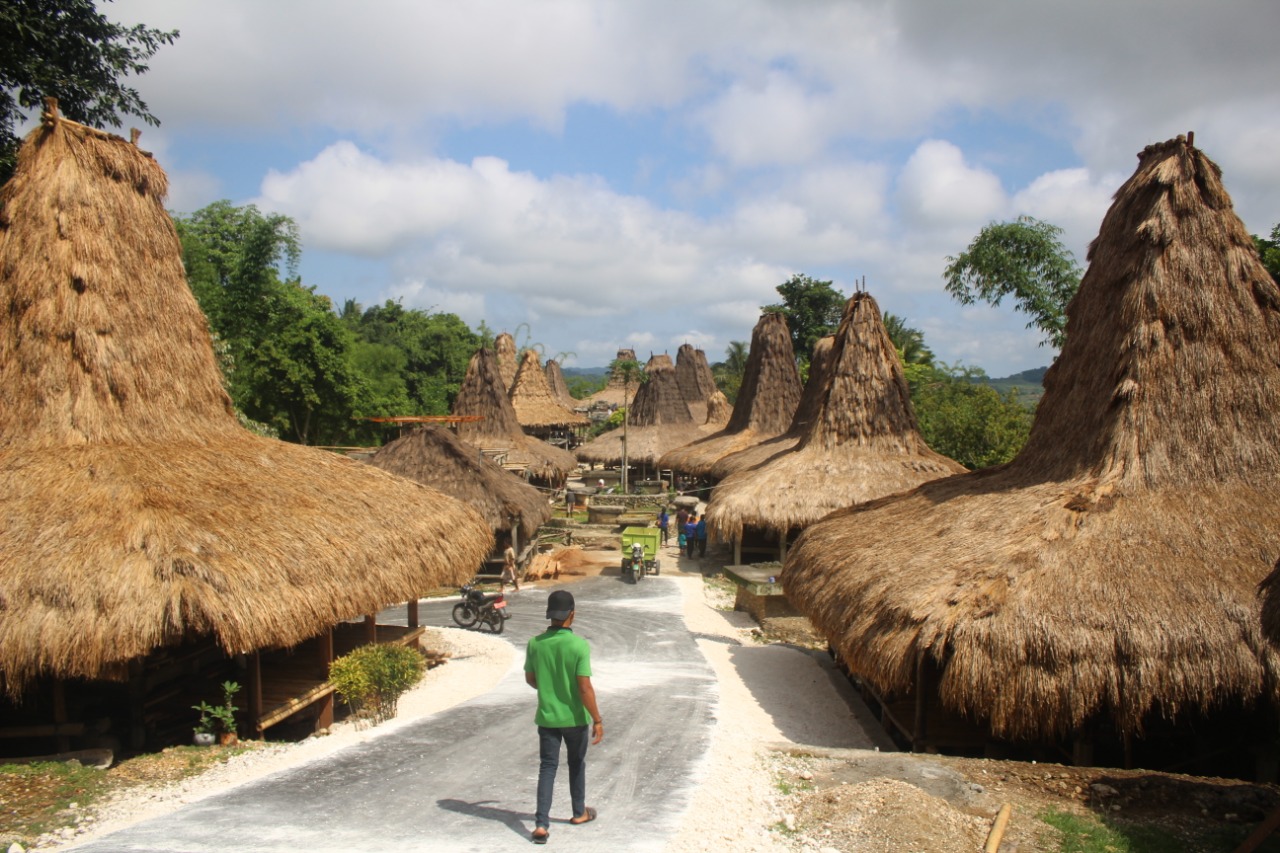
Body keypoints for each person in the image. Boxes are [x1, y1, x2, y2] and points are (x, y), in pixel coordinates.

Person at [524, 590, 603, 844]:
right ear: (572, 614)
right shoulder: (578, 645)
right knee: (576, 765)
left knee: (547, 767)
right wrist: (598, 720)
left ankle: (541, 825)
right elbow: (584, 688)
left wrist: (550, 690)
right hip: (575, 720)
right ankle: (579, 813)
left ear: (550, 614)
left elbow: (531, 679)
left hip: (547, 719)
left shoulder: (535, 643)